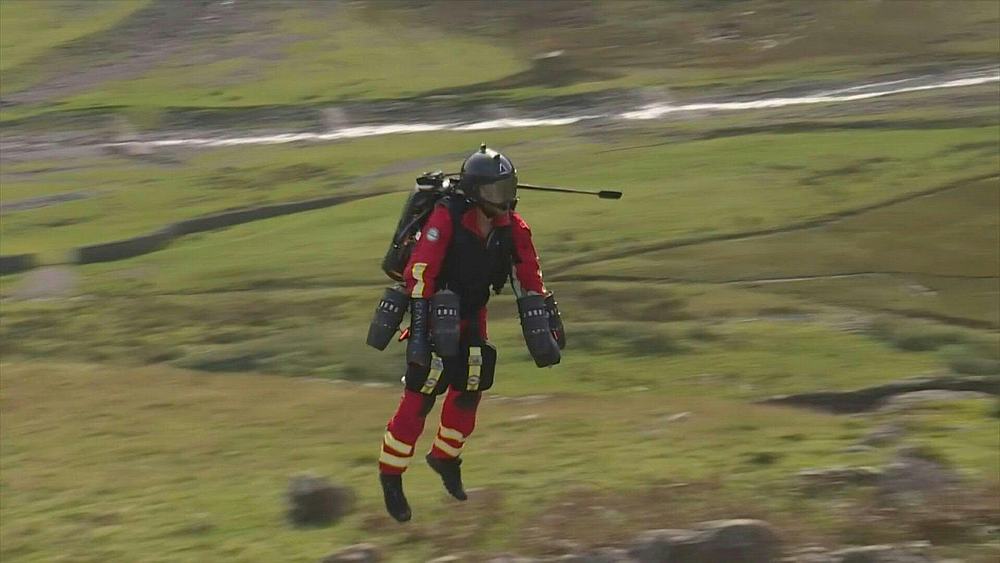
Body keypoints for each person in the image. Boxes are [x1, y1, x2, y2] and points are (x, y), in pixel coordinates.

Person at [377, 145, 564, 522]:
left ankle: (444, 458)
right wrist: (417, 338)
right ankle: (391, 475)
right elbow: (419, 274)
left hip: (473, 313)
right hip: (433, 312)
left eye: (508, 189)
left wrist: (548, 320)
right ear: (477, 194)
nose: (505, 200)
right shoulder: (445, 219)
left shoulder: (514, 229)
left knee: (471, 388)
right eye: (497, 192)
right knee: (421, 393)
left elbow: (529, 276)